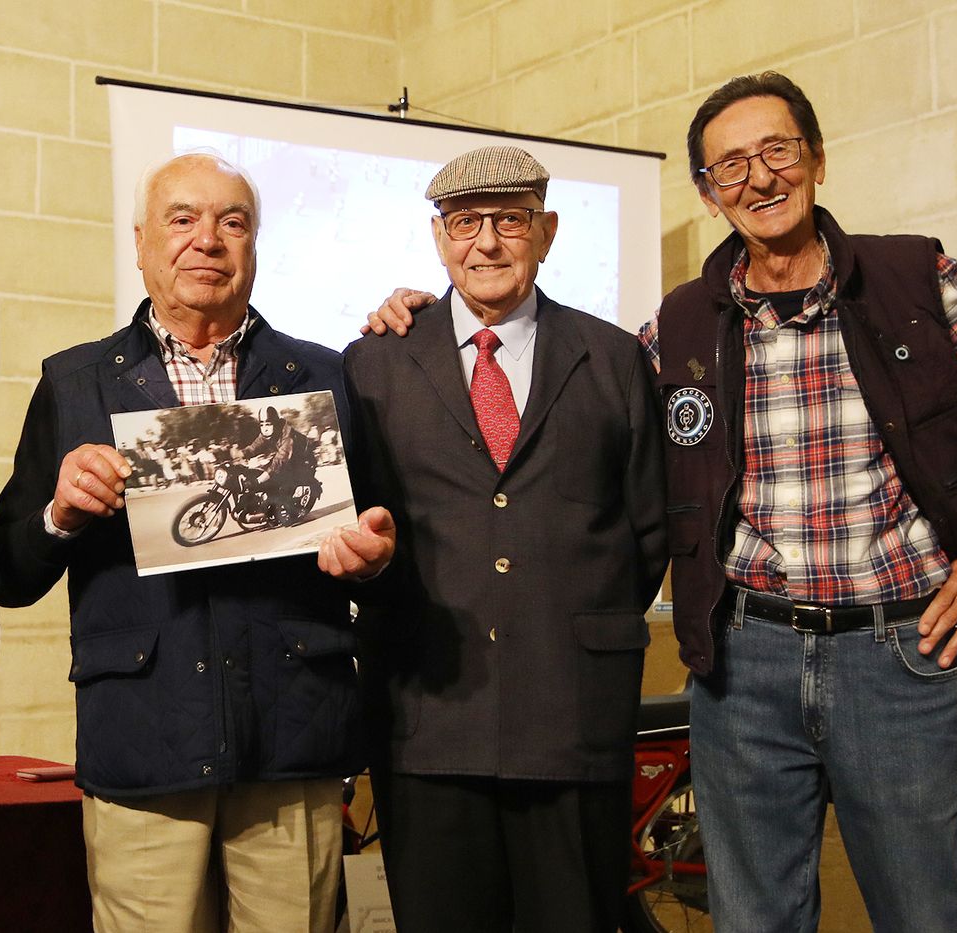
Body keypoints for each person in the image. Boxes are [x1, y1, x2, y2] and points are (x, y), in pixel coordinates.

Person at [369, 73, 957, 933]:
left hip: (896, 658)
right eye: (730, 165)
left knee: (922, 914)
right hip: (743, 663)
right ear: (707, 190)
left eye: (776, 151)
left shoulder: (915, 281)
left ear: (816, 159)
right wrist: (424, 322)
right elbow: (565, 398)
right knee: (752, 919)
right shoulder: (680, 326)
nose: (758, 178)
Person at [0, 151, 396, 933]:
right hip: (146, 743)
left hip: (292, 741)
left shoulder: (325, 375)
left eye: (231, 222)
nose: (207, 239)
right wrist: (60, 513)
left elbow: (383, 544)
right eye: (182, 219)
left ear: (254, 246)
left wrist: (376, 563)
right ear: (142, 242)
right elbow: (9, 569)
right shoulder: (76, 382)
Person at [343, 145, 669, 933]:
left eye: (510, 220)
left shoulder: (615, 360)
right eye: (464, 222)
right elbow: (350, 530)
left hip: (573, 719)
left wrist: (564, 620)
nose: (485, 242)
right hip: (427, 720)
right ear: (438, 237)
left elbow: (648, 534)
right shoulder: (372, 366)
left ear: (546, 231)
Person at [239, 404, 318, 522]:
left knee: (283, 486)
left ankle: (290, 512)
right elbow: (254, 447)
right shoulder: (267, 434)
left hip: (302, 462)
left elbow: (279, 461)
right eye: (262, 424)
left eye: (268, 424)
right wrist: (240, 454)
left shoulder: (288, 436)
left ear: (275, 423)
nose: (265, 428)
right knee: (263, 472)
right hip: (288, 459)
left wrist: (258, 480)